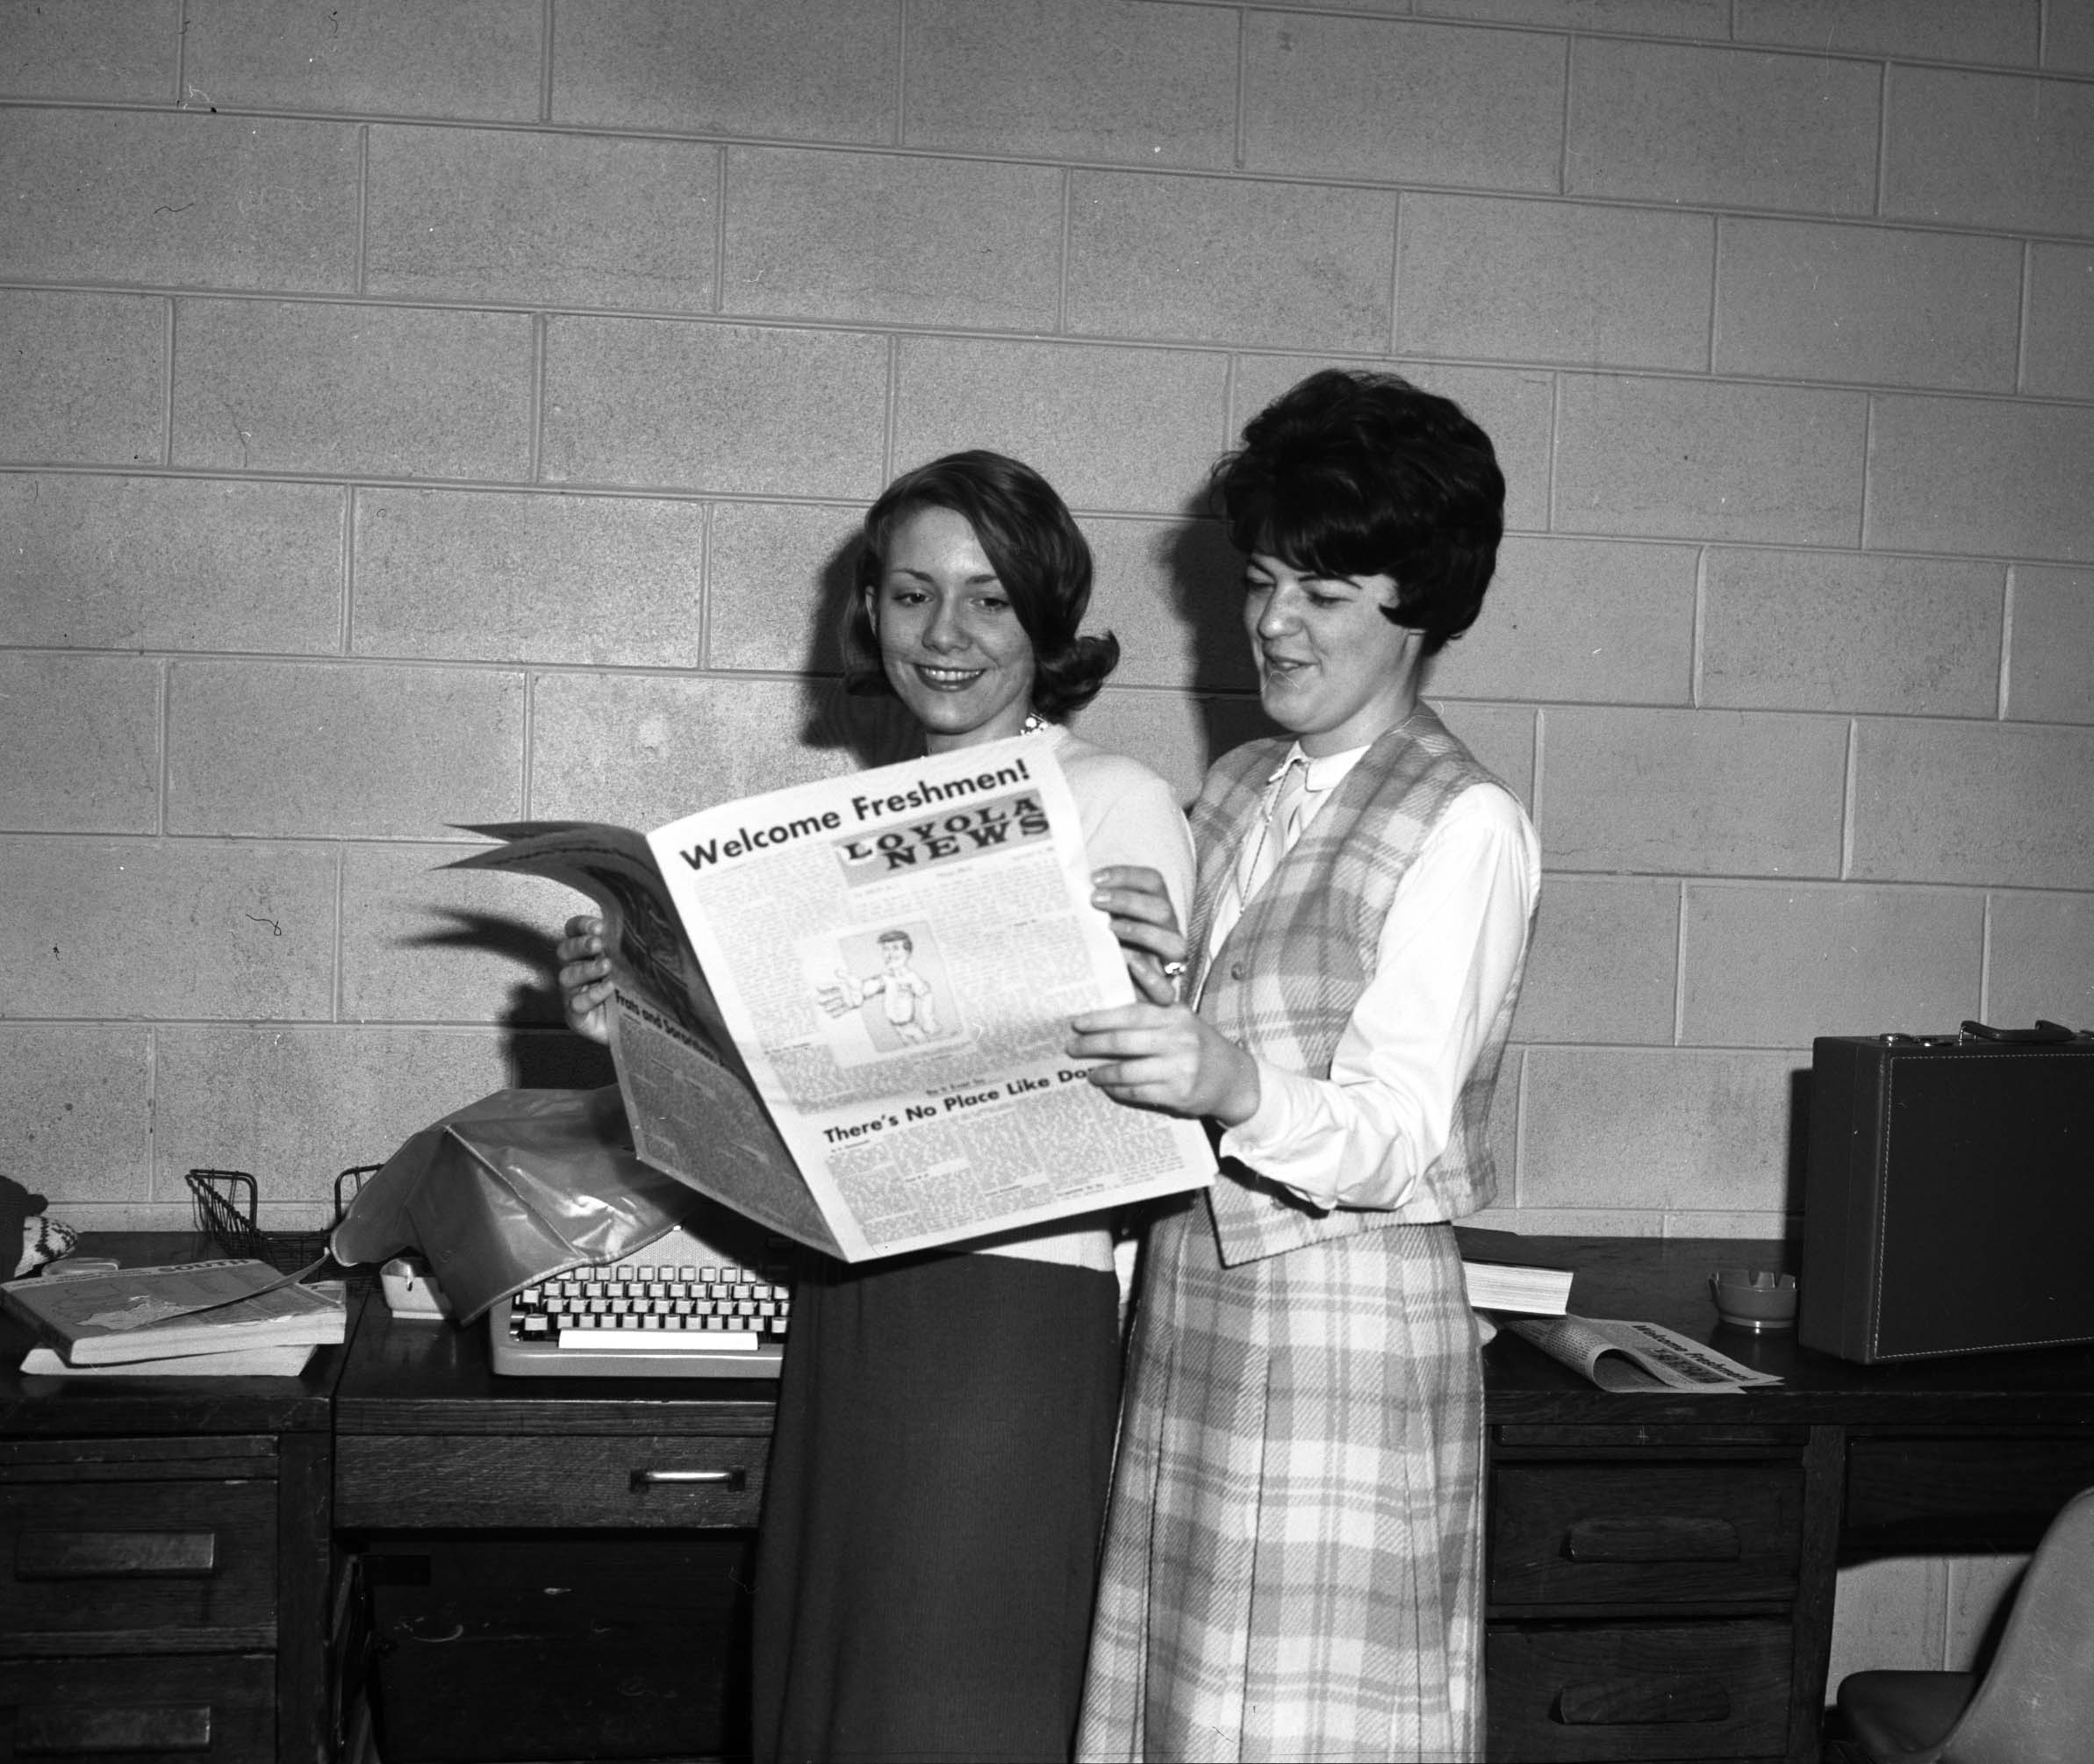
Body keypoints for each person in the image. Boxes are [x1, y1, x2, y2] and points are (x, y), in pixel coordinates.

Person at [555, 450, 1194, 1764]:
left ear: (1047, 621)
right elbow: (774, 1114)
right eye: (911, 596)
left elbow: (1151, 1106)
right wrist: (634, 1022)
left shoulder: (1115, 800)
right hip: (853, 1303)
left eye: (988, 600)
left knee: (954, 1705)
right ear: (870, 612)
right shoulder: (831, 824)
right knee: (832, 1699)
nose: (944, 636)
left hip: (1011, 1310)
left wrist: (1163, 983)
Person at [1066, 369, 1541, 1762]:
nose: (1273, 620)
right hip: (1194, 1311)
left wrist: (1223, 1081)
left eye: (1324, 593)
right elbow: (1244, 1025)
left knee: (1300, 1727)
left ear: (1420, 607)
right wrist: (1157, 971)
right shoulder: (1238, 788)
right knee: (1182, 1710)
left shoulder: (1467, 823)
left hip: (1345, 1333)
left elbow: (1396, 1133)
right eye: (1264, 578)